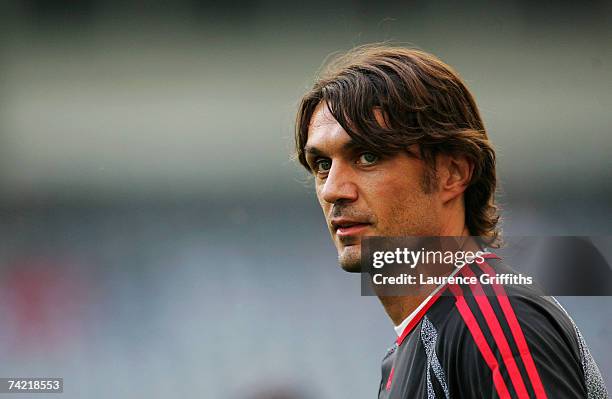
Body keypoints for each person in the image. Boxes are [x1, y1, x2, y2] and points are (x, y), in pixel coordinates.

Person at [294, 45, 607, 398]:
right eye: (322, 165)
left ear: (452, 174)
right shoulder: (409, 352)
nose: (333, 190)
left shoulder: (496, 322)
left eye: (368, 156)